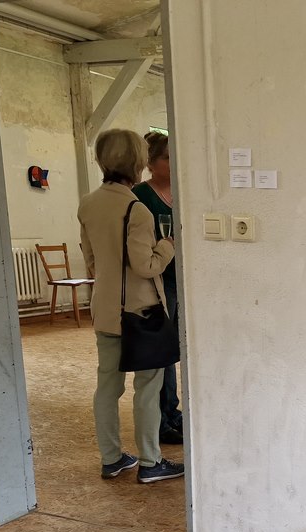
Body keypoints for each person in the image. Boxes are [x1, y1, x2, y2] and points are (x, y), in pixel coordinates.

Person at [78, 128, 184, 484]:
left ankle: (111, 458)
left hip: (105, 310)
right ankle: (151, 462)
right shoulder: (137, 209)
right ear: (139, 162)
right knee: (148, 388)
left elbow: (91, 260)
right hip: (142, 312)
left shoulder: (88, 203)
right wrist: (168, 245)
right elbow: (146, 266)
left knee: (107, 388)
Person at [132, 131, 182, 445]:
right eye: (166, 158)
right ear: (150, 163)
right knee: (162, 354)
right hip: (158, 284)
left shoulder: (183, 192)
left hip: (182, 281)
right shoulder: (139, 196)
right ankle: (162, 421)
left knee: (174, 351)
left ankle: (173, 413)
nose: (173, 163)